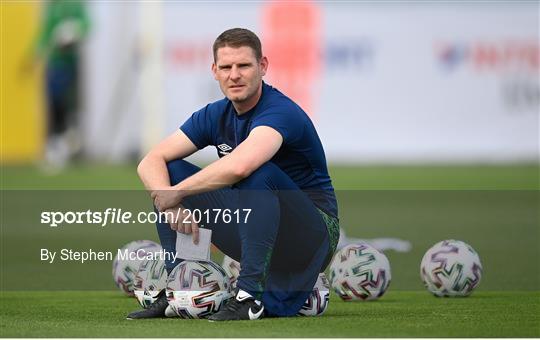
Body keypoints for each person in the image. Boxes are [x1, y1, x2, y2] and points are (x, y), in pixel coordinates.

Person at [129, 28, 339, 321]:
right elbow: (150, 160)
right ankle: (180, 287)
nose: (234, 75)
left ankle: (249, 296)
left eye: (244, 65)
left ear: (262, 66)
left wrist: (179, 193)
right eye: (226, 67)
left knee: (257, 173)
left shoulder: (280, 111)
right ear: (214, 71)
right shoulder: (215, 114)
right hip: (257, 228)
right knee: (170, 171)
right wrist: (170, 200)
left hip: (312, 236)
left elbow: (241, 165)